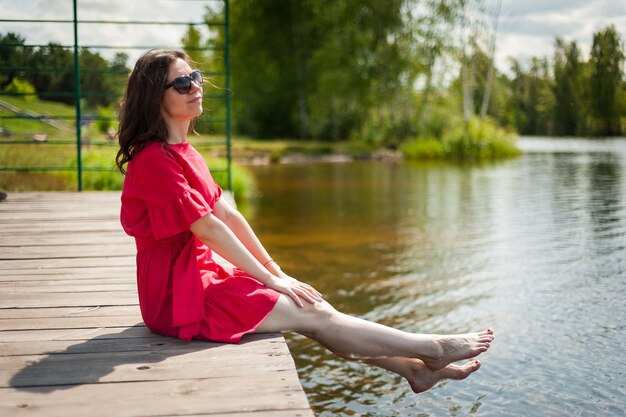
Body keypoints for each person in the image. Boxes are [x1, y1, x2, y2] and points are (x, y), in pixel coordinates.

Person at [116, 50, 494, 394]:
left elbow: (228, 214)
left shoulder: (184, 151)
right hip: (176, 296)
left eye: (195, 76)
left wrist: (275, 270)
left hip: (200, 276)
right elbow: (209, 228)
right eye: (182, 83)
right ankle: (431, 348)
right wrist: (270, 280)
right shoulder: (152, 160)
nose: (195, 86)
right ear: (155, 96)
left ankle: (414, 369)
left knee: (312, 308)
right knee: (312, 313)